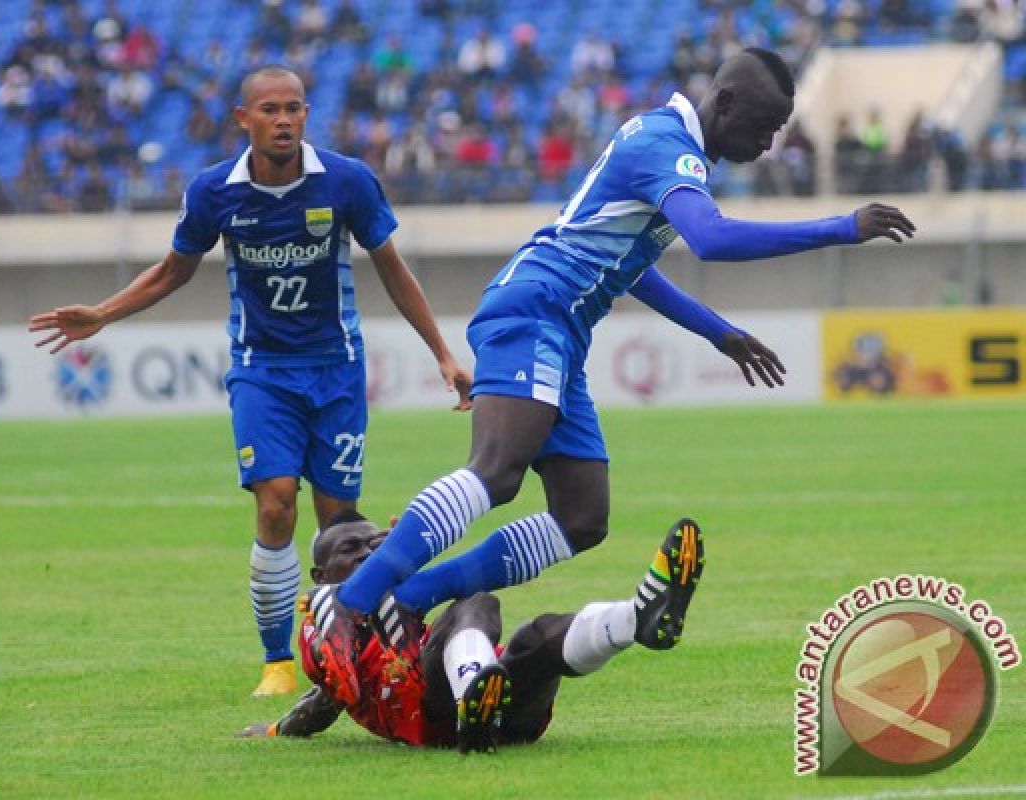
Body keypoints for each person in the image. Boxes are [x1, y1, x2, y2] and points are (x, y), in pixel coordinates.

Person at [308, 48, 916, 699]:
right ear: (726, 103)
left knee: (582, 516)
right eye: (764, 126)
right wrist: (841, 227)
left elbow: (634, 265)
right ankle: (347, 610)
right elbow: (711, 239)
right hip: (534, 308)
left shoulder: (668, 146)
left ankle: (409, 594)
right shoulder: (666, 146)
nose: (767, 145)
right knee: (497, 470)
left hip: (560, 328)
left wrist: (721, 332)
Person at [28, 66, 472, 697]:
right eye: (270, 109)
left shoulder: (345, 182)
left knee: (339, 526)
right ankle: (276, 661)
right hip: (262, 371)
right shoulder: (215, 193)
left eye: (294, 108)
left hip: (337, 369)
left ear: (307, 115)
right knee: (275, 503)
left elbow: (393, 269)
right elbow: (171, 272)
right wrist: (102, 313)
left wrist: (443, 354)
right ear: (244, 118)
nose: (283, 120)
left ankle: (337, 659)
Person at [240, 511, 705, 752]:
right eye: (350, 549)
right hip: (430, 707)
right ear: (322, 576)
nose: (367, 553)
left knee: (537, 639)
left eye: (377, 545)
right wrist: (281, 729)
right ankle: (473, 701)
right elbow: (327, 696)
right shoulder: (326, 619)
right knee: (475, 604)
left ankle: (636, 620)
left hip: (504, 712)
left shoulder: (400, 598)